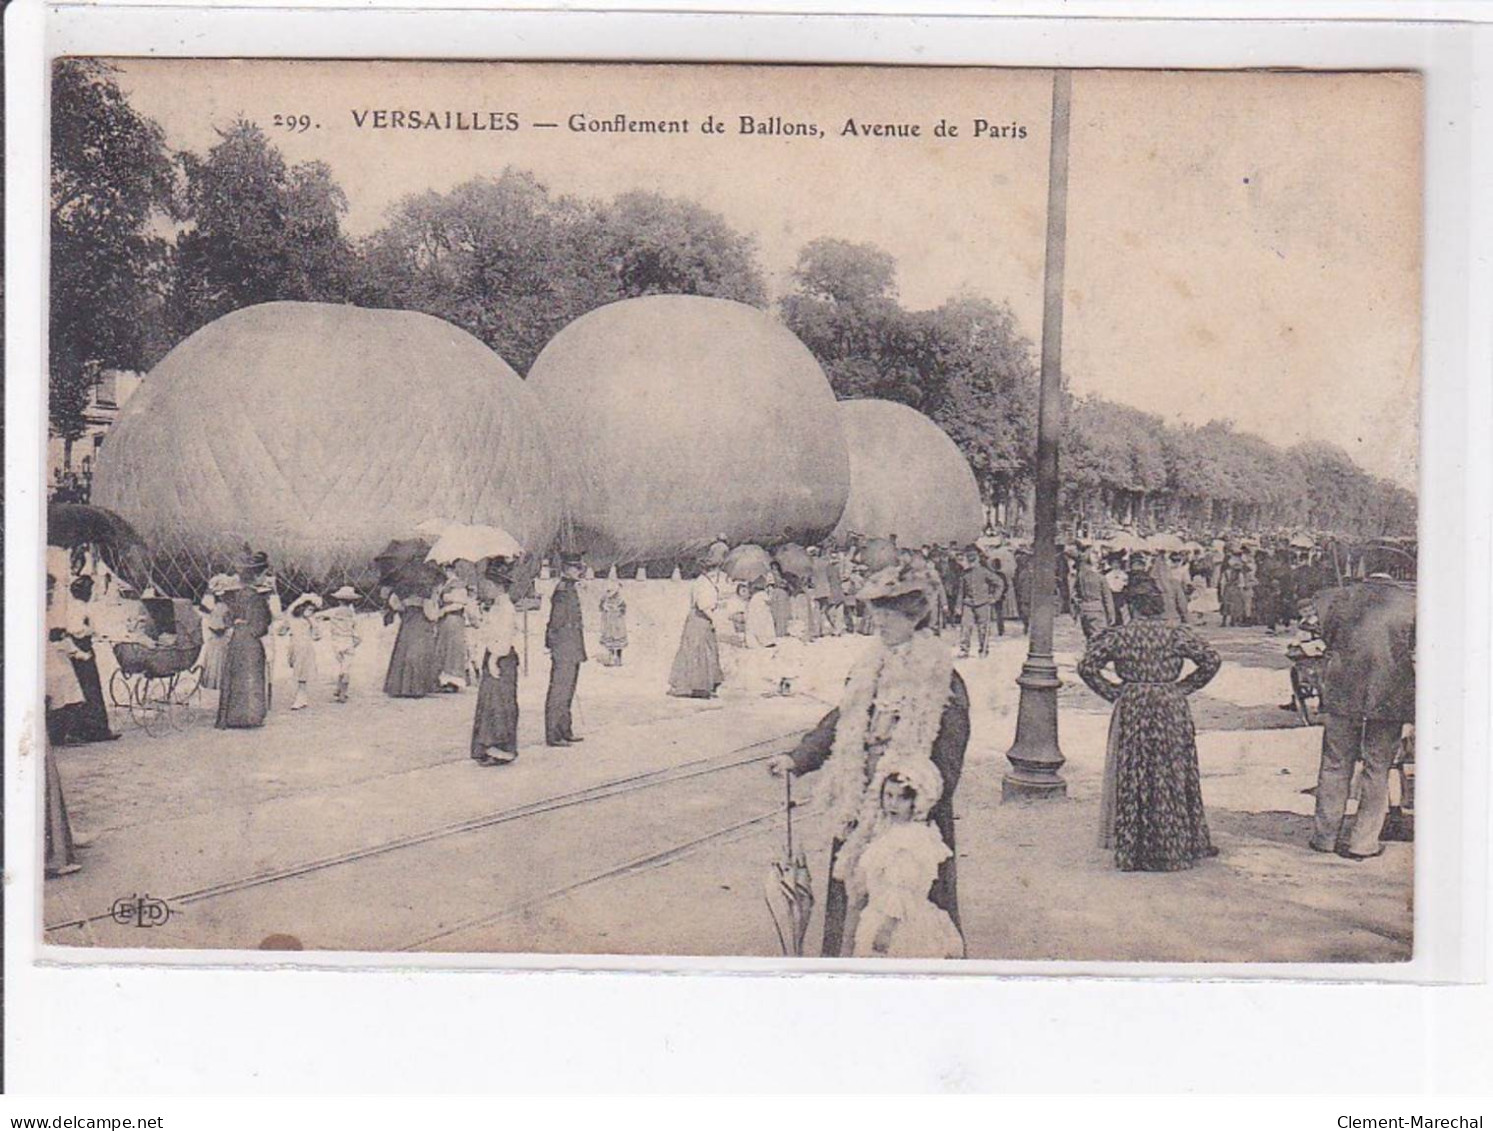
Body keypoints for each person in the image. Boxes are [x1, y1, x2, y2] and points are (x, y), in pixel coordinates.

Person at [769, 558, 967, 958]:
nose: (880, 627)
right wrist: (799, 758)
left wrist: (909, 800)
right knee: (851, 892)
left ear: (913, 619)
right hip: (860, 799)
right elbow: (842, 718)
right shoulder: (869, 666)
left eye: (888, 619)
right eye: (877, 619)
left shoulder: (941, 678)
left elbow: (948, 759)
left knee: (903, 910)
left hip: (906, 810)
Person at [1077, 578, 1222, 872]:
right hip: (1170, 703)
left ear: (1130, 605)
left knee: (1136, 772)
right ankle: (1180, 844)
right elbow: (1211, 659)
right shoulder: (1176, 632)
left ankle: (1136, 850)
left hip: (1134, 703)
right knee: (1173, 770)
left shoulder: (1119, 635)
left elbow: (1086, 667)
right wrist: (1183, 687)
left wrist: (1115, 693)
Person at [1309, 576, 1416, 859]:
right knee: (1377, 768)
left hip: (1342, 689)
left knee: (1335, 764)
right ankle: (1363, 842)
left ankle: (1325, 837)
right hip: (1389, 694)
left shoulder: (1338, 598)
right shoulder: (1410, 603)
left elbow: (1326, 637)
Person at [849, 769, 965, 959]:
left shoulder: (910, 840)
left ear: (915, 802)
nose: (893, 804)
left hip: (897, 923)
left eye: (902, 798)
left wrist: (886, 930)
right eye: (888, 795)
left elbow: (901, 891)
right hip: (878, 913)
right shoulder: (889, 830)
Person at [216, 555, 273, 729]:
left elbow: (225, 616)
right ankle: (249, 717)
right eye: (263, 574)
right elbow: (261, 624)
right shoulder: (256, 597)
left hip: (236, 638)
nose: (264, 578)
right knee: (251, 675)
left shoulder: (234, 595)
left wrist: (236, 624)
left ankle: (231, 717)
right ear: (256, 576)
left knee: (234, 675)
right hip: (250, 640)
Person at [471, 565, 521, 765]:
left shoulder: (506, 608)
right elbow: (489, 632)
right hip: (492, 656)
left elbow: (505, 637)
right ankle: (489, 747)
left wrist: (493, 659)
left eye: (489, 585)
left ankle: (500, 749)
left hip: (500, 659)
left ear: (499, 586)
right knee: (490, 703)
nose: (486, 588)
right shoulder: (496, 606)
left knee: (499, 704)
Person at [62, 575, 119, 743]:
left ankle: (87, 729)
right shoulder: (79, 608)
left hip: (80, 649)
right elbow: (76, 629)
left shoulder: (76, 606)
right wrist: (90, 632)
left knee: (85, 689)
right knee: (91, 689)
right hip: (82, 650)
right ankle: (96, 730)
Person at [668, 545, 727, 699]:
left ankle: (705, 684)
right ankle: (696, 686)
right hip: (699, 620)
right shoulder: (703, 583)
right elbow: (703, 605)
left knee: (704, 651)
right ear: (709, 570)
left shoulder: (706, 582)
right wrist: (714, 618)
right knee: (698, 652)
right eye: (715, 571)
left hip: (700, 620)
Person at [544, 553, 587, 745]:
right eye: (575, 568)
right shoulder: (562, 590)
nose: (580, 571)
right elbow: (556, 621)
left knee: (568, 690)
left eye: (579, 567)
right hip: (564, 646)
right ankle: (554, 734)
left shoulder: (570, 588)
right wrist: (554, 645)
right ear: (565, 570)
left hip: (572, 646)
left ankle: (565, 730)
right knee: (560, 691)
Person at [383, 583, 440, 698]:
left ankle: (399, 687)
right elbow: (432, 616)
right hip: (421, 629)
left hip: (406, 628)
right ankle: (416, 688)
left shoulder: (404, 598)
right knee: (418, 656)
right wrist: (436, 604)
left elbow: (396, 606)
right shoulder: (425, 600)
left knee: (402, 654)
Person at [315, 586, 362, 703]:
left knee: (341, 666)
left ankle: (338, 689)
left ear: (339, 600)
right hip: (348, 641)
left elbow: (318, 615)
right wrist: (356, 642)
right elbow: (357, 630)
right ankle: (343, 693)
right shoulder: (352, 614)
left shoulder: (333, 611)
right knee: (346, 668)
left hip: (336, 642)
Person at [954, 547, 1003, 658]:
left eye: (967, 561)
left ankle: (983, 649)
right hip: (968, 604)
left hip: (983, 603)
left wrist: (995, 597)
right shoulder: (964, 574)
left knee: (983, 628)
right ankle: (964, 649)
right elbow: (961, 592)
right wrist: (958, 606)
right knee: (965, 627)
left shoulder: (984, 572)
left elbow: (999, 583)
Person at [433, 568, 472, 692]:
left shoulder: (458, 585)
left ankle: (453, 681)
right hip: (445, 621)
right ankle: (443, 680)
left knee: (453, 649)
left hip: (454, 619)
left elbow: (461, 603)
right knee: (443, 648)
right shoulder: (445, 584)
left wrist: (444, 610)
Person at [282, 594, 323, 710]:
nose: (311, 612)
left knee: (302, 671)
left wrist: (313, 624)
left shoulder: (310, 620)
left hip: (305, 646)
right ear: (302, 607)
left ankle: (300, 698)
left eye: (313, 610)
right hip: (294, 645)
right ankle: (302, 697)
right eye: (309, 609)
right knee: (297, 669)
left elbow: (318, 636)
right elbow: (282, 629)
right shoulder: (293, 617)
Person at [197, 574, 234, 692]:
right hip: (215, 635)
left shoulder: (227, 607)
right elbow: (208, 618)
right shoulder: (216, 606)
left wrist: (225, 628)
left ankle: (219, 683)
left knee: (221, 657)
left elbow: (229, 621)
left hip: (223, 635)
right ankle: (213, 682)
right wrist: (215, 629)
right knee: (215, 657)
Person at [1074, 550, 1117, 639]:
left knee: (1089, 637)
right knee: (1100, 638)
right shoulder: (1100, 578)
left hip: (1084, 610)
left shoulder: (1081, 576)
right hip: (1097, 609)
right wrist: (1111, 615)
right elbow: (1107, 598)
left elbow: (1075, 594)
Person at [598, 580, 628, 667]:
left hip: (617, 623)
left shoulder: (620, 599)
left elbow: (623, 610)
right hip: (609, 623)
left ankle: (618, 659)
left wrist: (618, 611)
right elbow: (600, 608)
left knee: (618, 642)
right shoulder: (605, 599)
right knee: (610, 642)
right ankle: (611, 658)